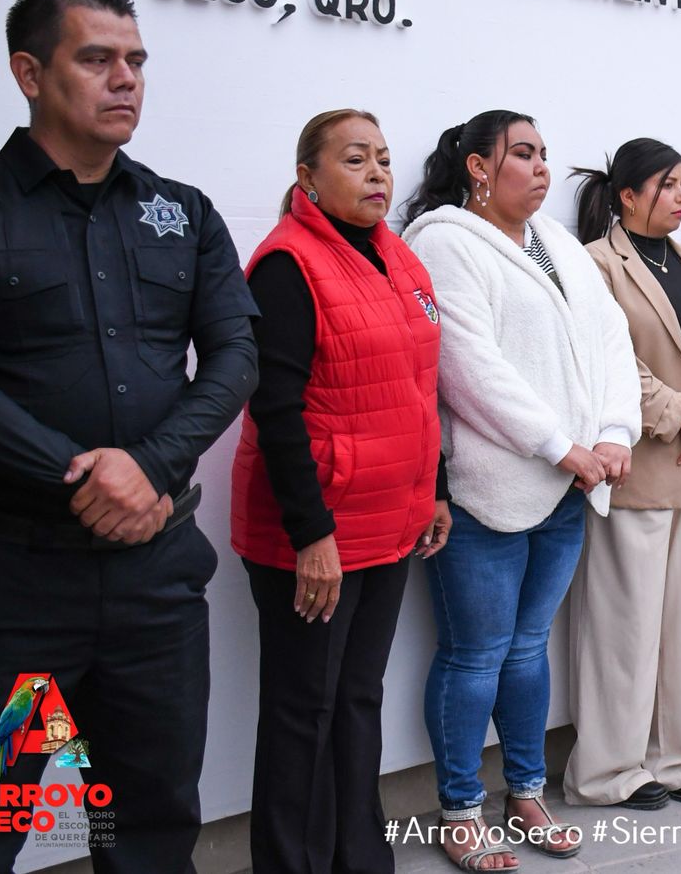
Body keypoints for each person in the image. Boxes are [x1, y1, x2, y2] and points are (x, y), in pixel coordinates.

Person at [0, 0, 258, 873]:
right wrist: (78, 476)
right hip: (17, 596)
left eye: (135, 61)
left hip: (152, 593)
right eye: (96, 59)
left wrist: (150, 468)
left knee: (150, 827)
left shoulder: (181, 213)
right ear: (29, 73)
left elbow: (235, 353)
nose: (125, 79)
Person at [403, 111, 641, 870]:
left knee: (528, 650)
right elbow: (467, 366)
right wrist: (558, 445)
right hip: (485, 493)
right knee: (475, 655)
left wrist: (612, 432)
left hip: (569, 487)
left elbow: (609, 341)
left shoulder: (558, 246)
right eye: (524, 154)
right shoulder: (442, 242)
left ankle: (526, 791)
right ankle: (461, 809)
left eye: (545, 155)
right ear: (478, 167)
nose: (542, 169)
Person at [229, 109, 452, 873]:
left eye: (384, 159)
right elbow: (275, 408)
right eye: (355, 160)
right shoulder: (288, 264)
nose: (377, 174)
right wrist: (310, 535)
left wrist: (437, 488)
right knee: (302, 712)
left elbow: (420, 388)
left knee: (357, 698)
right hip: (316, 532)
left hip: (389, 521)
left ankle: (360, 858)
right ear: (308, 180)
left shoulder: (397, 256)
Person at [563, 138, 681, 809]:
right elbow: (605, 362)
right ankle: (610, 770)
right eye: (668, 184)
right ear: (627, 194)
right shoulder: (595, 265)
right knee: (623, 625)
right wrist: (680, 416)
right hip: (636, 466)